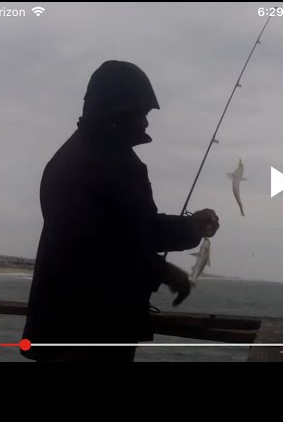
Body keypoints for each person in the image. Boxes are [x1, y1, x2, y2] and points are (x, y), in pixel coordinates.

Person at [20, 60, 219, 362]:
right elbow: (92, 250)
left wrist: (190, 227)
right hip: (76, 333)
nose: (145, 123)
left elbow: (136, 230)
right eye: (142, 113)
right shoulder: (77, 165)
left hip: (104, 328)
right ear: (117, 113)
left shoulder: (114, 160)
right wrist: (163, 271)